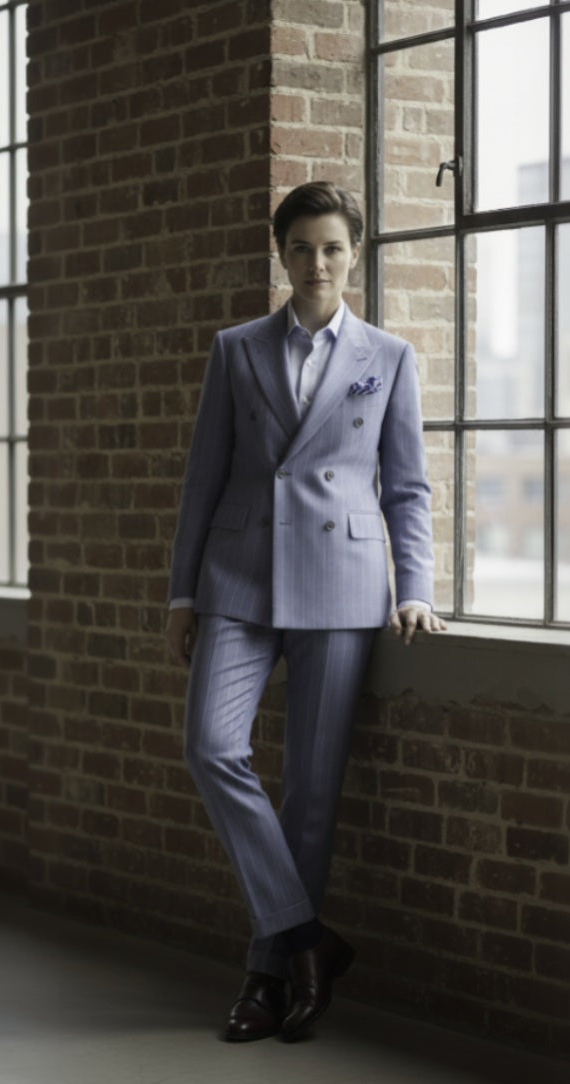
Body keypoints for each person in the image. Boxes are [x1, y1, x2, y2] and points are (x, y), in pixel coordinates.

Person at [165, 181, 446, 1044]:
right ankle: (306, 936)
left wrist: (417, 587)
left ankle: (263, 978)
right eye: (300, 247)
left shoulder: (388, 356)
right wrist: (182, 591)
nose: (315, 262)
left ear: (353, 253)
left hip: (343, 578)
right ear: (280, 253)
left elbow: (406, 486)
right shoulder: (235, 348)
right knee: (211, 746)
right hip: (240, 575)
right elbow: (203, 478)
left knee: (312, 796)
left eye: (331, 247)